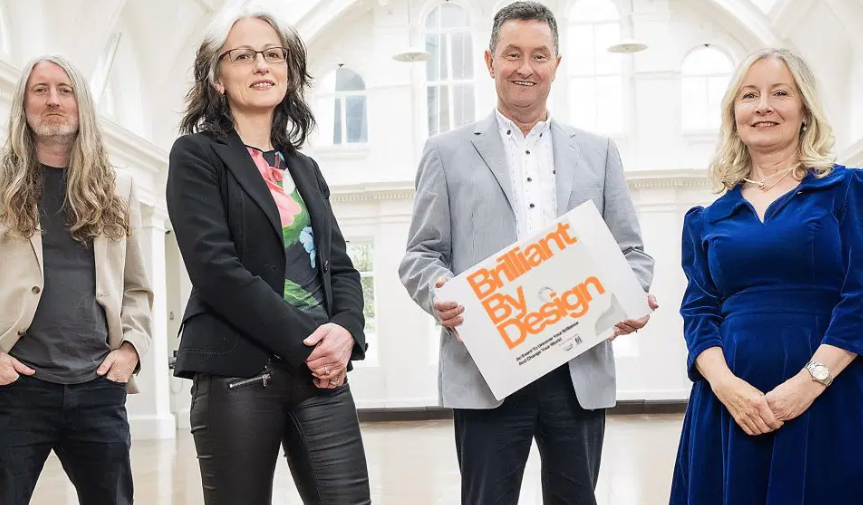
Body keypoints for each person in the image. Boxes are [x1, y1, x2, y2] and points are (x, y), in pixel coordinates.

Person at [398, 3, 656, 504]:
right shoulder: (445, 152)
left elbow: (632, 252)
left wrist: (632, 293)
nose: (525, 68)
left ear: (557, 64)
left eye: (539, 56)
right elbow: (421, 255)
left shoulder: (599, 151)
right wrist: (439, 295)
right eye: (512, 54)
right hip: (485, 369)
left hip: (578, 368)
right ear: (489, 61)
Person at [166, 6, 370, 505]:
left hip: (323, 375)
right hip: (239, 373)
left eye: (273, 54)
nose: (262, 65)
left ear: (289, 71)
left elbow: (338, 266)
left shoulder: (305, 168)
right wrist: (311, 347)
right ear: (217, 77)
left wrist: (345, 332)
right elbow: (216, 271)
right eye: (243, 55)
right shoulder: (196, 155)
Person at [669, 47, 863, 505]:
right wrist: (725, 385)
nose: (763, 106)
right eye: (749, 95)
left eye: (781, 93)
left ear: (804, 111)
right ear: (733, 114)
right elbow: (698, 310)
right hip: (729, 409)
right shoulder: (706, 217)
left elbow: (859, 296)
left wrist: (809, 382)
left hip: (831, 398)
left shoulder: (846, 190)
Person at [0, 55, 153, 505]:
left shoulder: (117, 186)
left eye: (65, 90)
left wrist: (131, 349)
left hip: (98, 388)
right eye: (40, 89)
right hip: (11, 389)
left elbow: (137, 287)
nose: (53, 100)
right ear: (23, 104)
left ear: (82, 104)